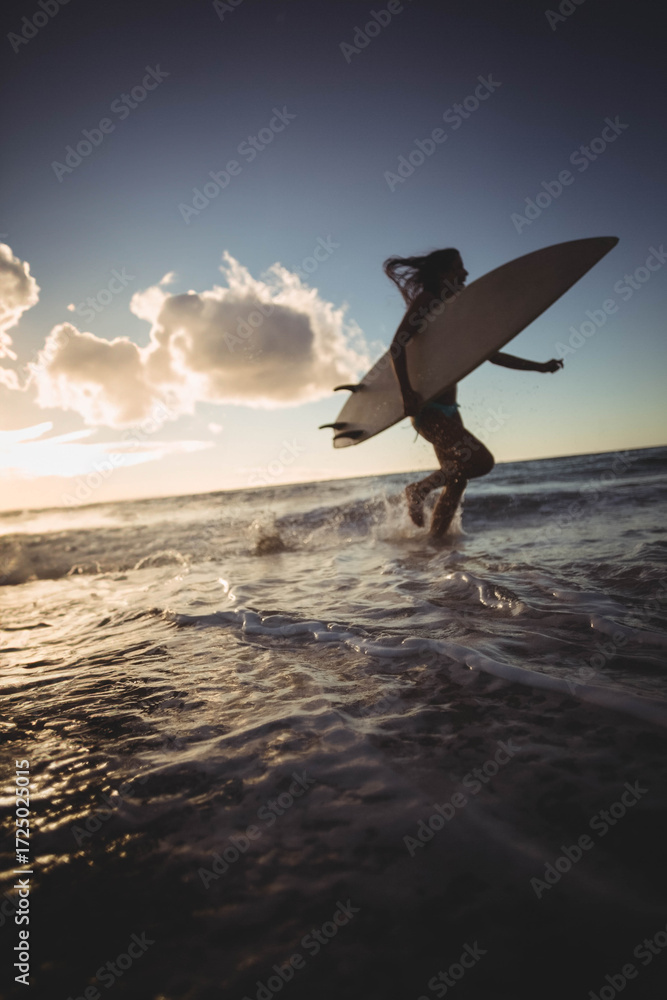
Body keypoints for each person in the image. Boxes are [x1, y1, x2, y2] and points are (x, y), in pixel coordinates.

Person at [385, 248, 563, 539]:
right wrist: (406, 393)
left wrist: (539, 368)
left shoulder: (457, 312)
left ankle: (435, 546)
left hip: (450, 409)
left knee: (457, 480)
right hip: (427, 408)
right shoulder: (427, 301)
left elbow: (491, 355)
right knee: (480, 462)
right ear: (443, 274)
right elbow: (397, 345)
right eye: (458, 267)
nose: (465, 273)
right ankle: (419, 489)